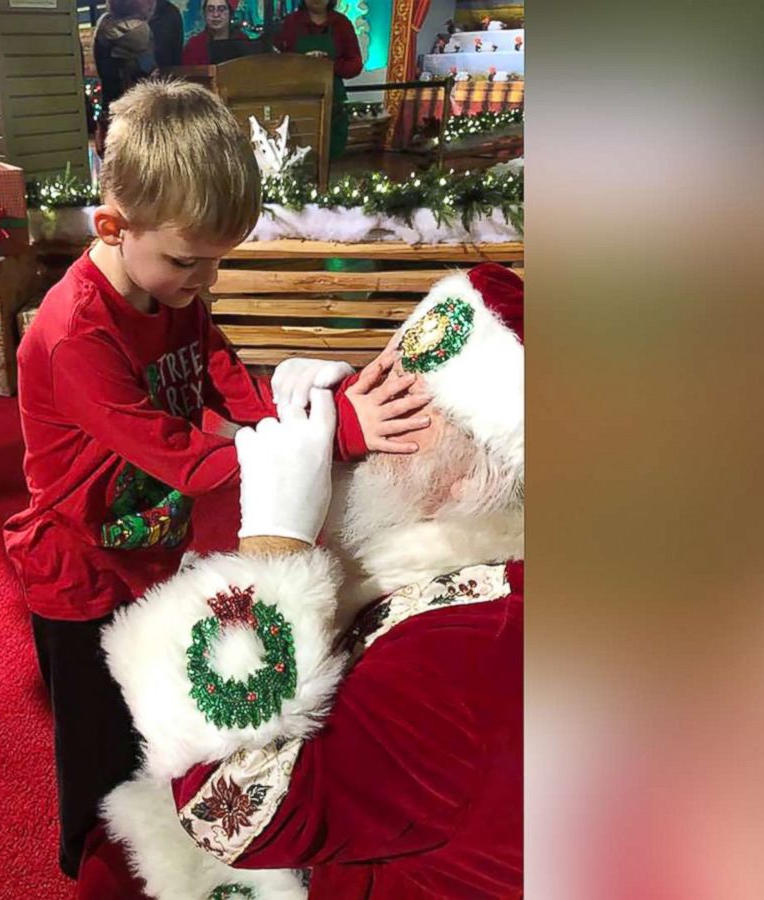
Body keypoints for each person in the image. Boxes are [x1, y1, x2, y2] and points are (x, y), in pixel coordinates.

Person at [3, 79, 435, 880]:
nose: (203, 281)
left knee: (152, 720)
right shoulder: (74, 338)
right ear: (112, 226)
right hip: (79, 570)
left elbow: (218, 367)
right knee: (96, 744)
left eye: (216, 264)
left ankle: (158, 846)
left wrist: (291, 416)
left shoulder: (173, 290)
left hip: (148, 547)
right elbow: (178, 453)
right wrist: (330, 435)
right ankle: (92, 870)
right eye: (187, 261)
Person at [77, 263, 527, 898]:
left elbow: (228, 811)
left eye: (407, 396)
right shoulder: (476, 559)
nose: (373, 404)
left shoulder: (470, 647)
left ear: (477, 473)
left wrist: (273, 547)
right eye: (386, 366)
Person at [273, 0, 363, 161]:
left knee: (329, 157)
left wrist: (329, 65)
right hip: (296, 103)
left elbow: (355, 64)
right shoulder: (291, 23)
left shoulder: (341, 24)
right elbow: (277, 63)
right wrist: (301, 62)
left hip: (332, 104)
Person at [94, 0, 158, 155]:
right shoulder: (140, 31)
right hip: (137, 114)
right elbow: (148, 71)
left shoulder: (103, 25)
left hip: (110, 111)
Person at [182, 0, 248, 66]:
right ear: (204, 13)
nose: (216, 15)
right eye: (210, 10)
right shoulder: (194, 45)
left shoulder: (242, 40)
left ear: (230, 13)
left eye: (221, 9)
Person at [149, 0, 185, 69]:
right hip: (133, 73)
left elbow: (176, 52)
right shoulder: (131, 8)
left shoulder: (172, 12)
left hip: (165, 73)